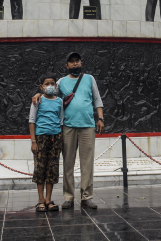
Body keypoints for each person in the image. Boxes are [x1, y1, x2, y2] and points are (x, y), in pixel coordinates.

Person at [32, 52, 104, 209]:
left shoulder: (89, 78)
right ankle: (69, 197)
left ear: (81, 63)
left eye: (77, 61)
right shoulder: (61, 82)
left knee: (87, 163)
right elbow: (48, 92)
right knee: (68, 163)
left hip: (87, 126)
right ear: (67, 66)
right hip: (68, 127)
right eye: (71, 62)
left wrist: (100, 118)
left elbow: (97, 99)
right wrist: (38, 93)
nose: (75, 63)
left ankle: (86, 197)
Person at [29, 73, 64, 212]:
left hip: (55, 138)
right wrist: (33, 141)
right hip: (40, 138)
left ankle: (49, 199)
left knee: (52, 169)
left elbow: (61, 121)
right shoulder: (37, 101)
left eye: (52, 83)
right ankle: (40, 200)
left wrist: (60, 140)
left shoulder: (59, 101)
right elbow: (32, 121)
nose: (50, 86)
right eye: (47, 84)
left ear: (56, 86)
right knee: (40, 168)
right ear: (41, 87)